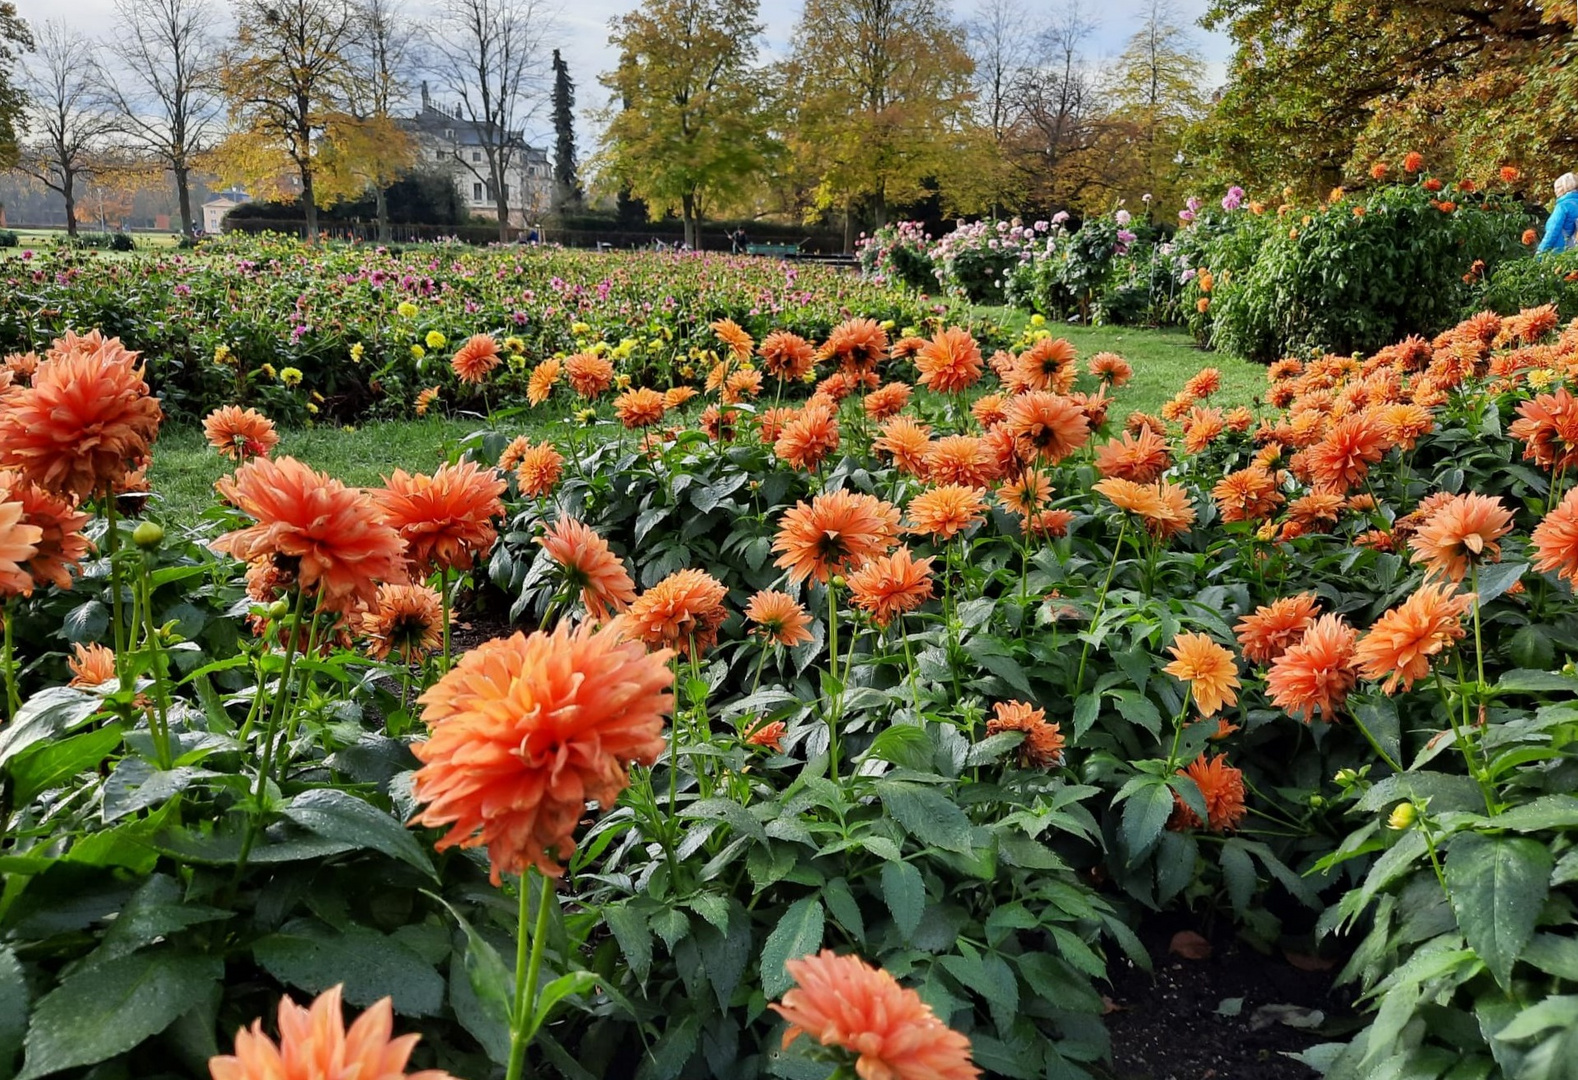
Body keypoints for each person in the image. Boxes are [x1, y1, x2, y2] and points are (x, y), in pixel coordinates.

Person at [1538, 172, 1578, 254]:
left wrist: (1540, 253)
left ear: (1564, 188)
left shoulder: (1563, 206)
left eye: (1557, 188)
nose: (1555, 191)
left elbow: (1552, 232)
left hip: (1561, 253)